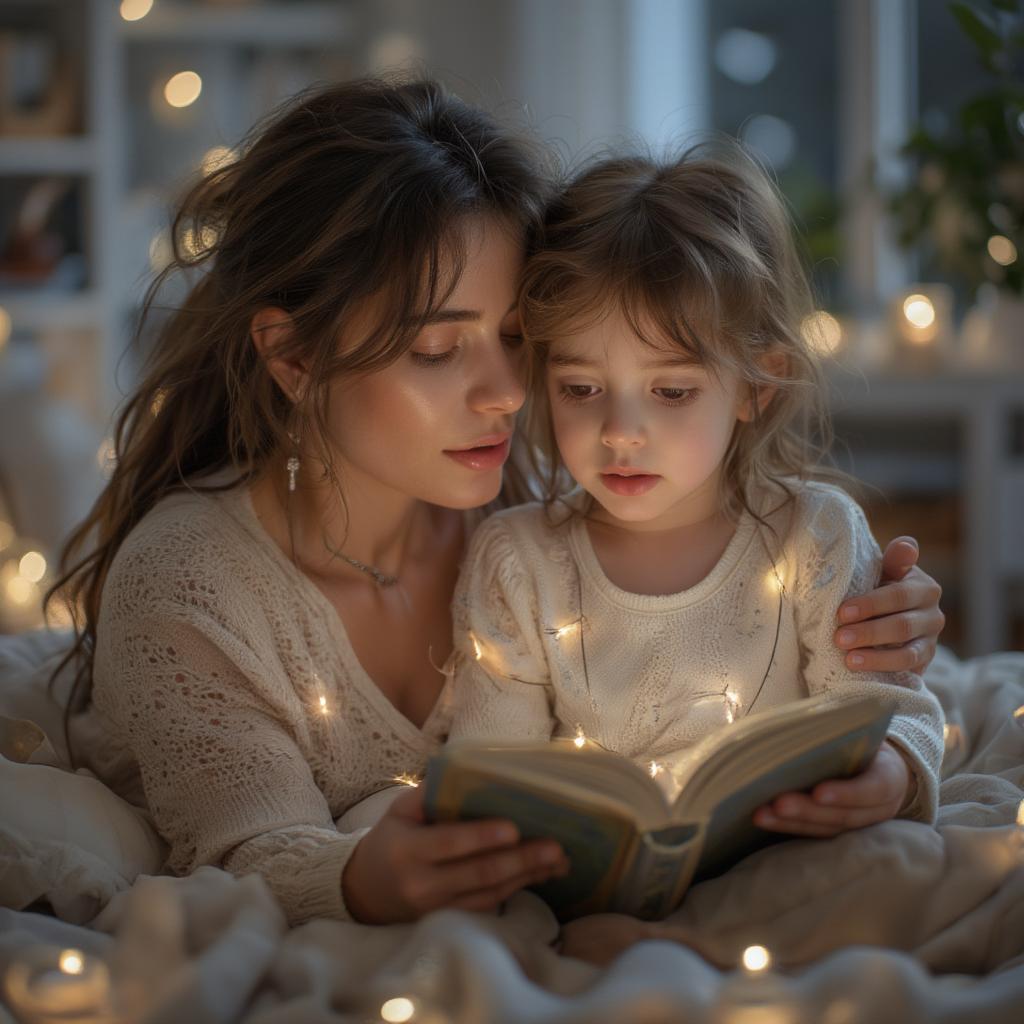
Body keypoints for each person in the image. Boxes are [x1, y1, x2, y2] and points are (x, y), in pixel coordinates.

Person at [51, 79, 945, 929]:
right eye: (440, 349)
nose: (509, 395)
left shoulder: (528, 501)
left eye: (518, 339)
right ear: (294, 359)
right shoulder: (191, 588)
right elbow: (246, 850)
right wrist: (357, 880)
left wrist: (883, 630)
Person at [447, 148, 944, 841]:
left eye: (671, 392)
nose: (621, 433)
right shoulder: (518, 560)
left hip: (791, 859)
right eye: (581, 390)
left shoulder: (814, 535)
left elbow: (887, 706)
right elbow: (489, 765)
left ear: (756, 384)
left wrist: (887, 776)